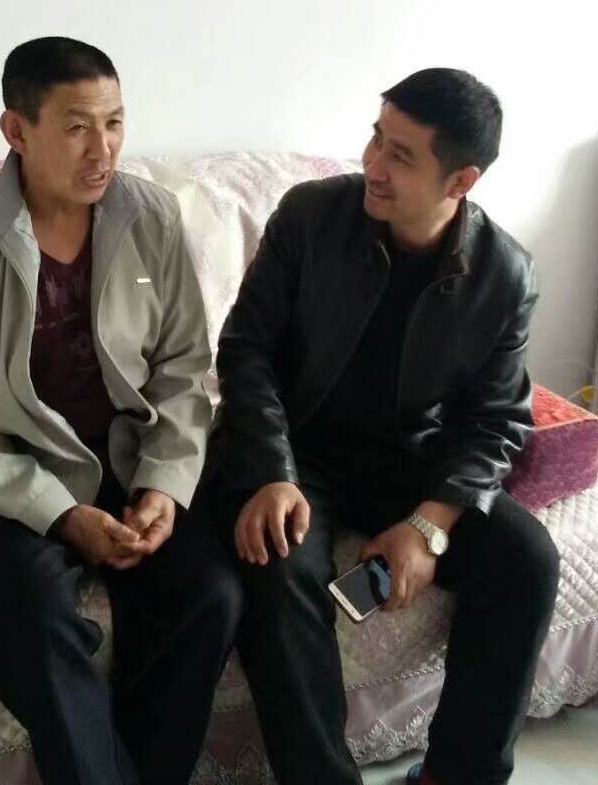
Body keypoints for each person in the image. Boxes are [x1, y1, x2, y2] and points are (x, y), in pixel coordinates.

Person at [213, 68, 561, 785]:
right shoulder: (312, 216)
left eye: (401, 155)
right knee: (277, 565)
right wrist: (271, 472)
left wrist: (429, 526)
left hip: (410, 461)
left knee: (526, 559)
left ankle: (457, 776)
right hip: (298, 450)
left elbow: (497, 419)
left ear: (460, 181)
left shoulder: (504, 274)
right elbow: (247, 350)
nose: (372, 164)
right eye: (376, 139)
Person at [0, 37, 241, 785]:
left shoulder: (151, 216)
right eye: (77, 126)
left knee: (211, 596)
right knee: (28, 616)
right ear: (16, 131)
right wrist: (61, 516)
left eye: (115, 123)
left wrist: (163, 485)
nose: (103, 149)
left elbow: (184, 370)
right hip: (10, 468)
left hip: (129, 456)